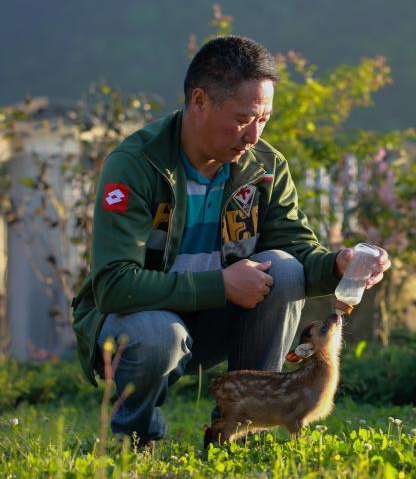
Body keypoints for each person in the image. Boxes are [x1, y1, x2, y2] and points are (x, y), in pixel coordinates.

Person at [71, 35, 390, 446]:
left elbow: (297, 249)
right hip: (144, 320)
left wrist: (338, 265)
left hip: (219, 320)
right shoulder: (137, 166)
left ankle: (237, 434)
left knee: (285, 267)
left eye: (264, 119)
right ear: (199, 101)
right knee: (158, 337)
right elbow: (114, 285)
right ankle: (135, 438)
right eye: (243, 119)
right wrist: (221, 284)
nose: (254, 135)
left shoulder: (264, 167)